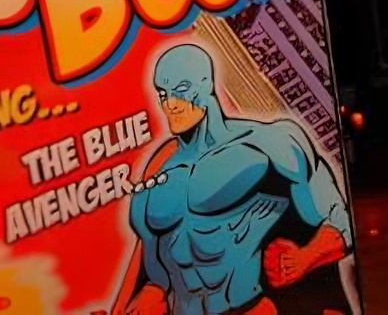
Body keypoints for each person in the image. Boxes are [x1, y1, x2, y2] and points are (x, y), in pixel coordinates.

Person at [112, 44, 352, 315]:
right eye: (163, 94)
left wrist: (305, 258)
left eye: (181, 90)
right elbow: (151, 256)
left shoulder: (269, 143)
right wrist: (143, 296)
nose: (170, 104)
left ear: (206, 85)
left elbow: (339, 220)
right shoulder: (160, 167)